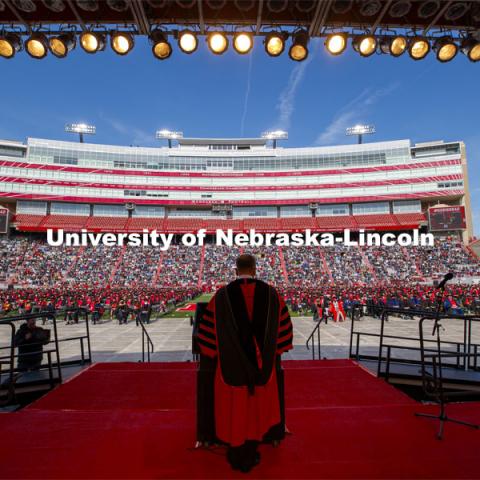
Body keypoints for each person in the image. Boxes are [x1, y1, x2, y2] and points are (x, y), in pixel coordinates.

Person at [197, 254, 293, 473]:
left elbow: (207, 337)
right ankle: (254, 443)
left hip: (230, 369)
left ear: (235, 271)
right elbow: (283, 332)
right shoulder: (271, 294)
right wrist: (270, 351)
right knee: (257, 406)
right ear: (255, 269)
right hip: (264, 369)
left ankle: (236, 445)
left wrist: (215, 351)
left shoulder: (221, 296)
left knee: (236, 408)